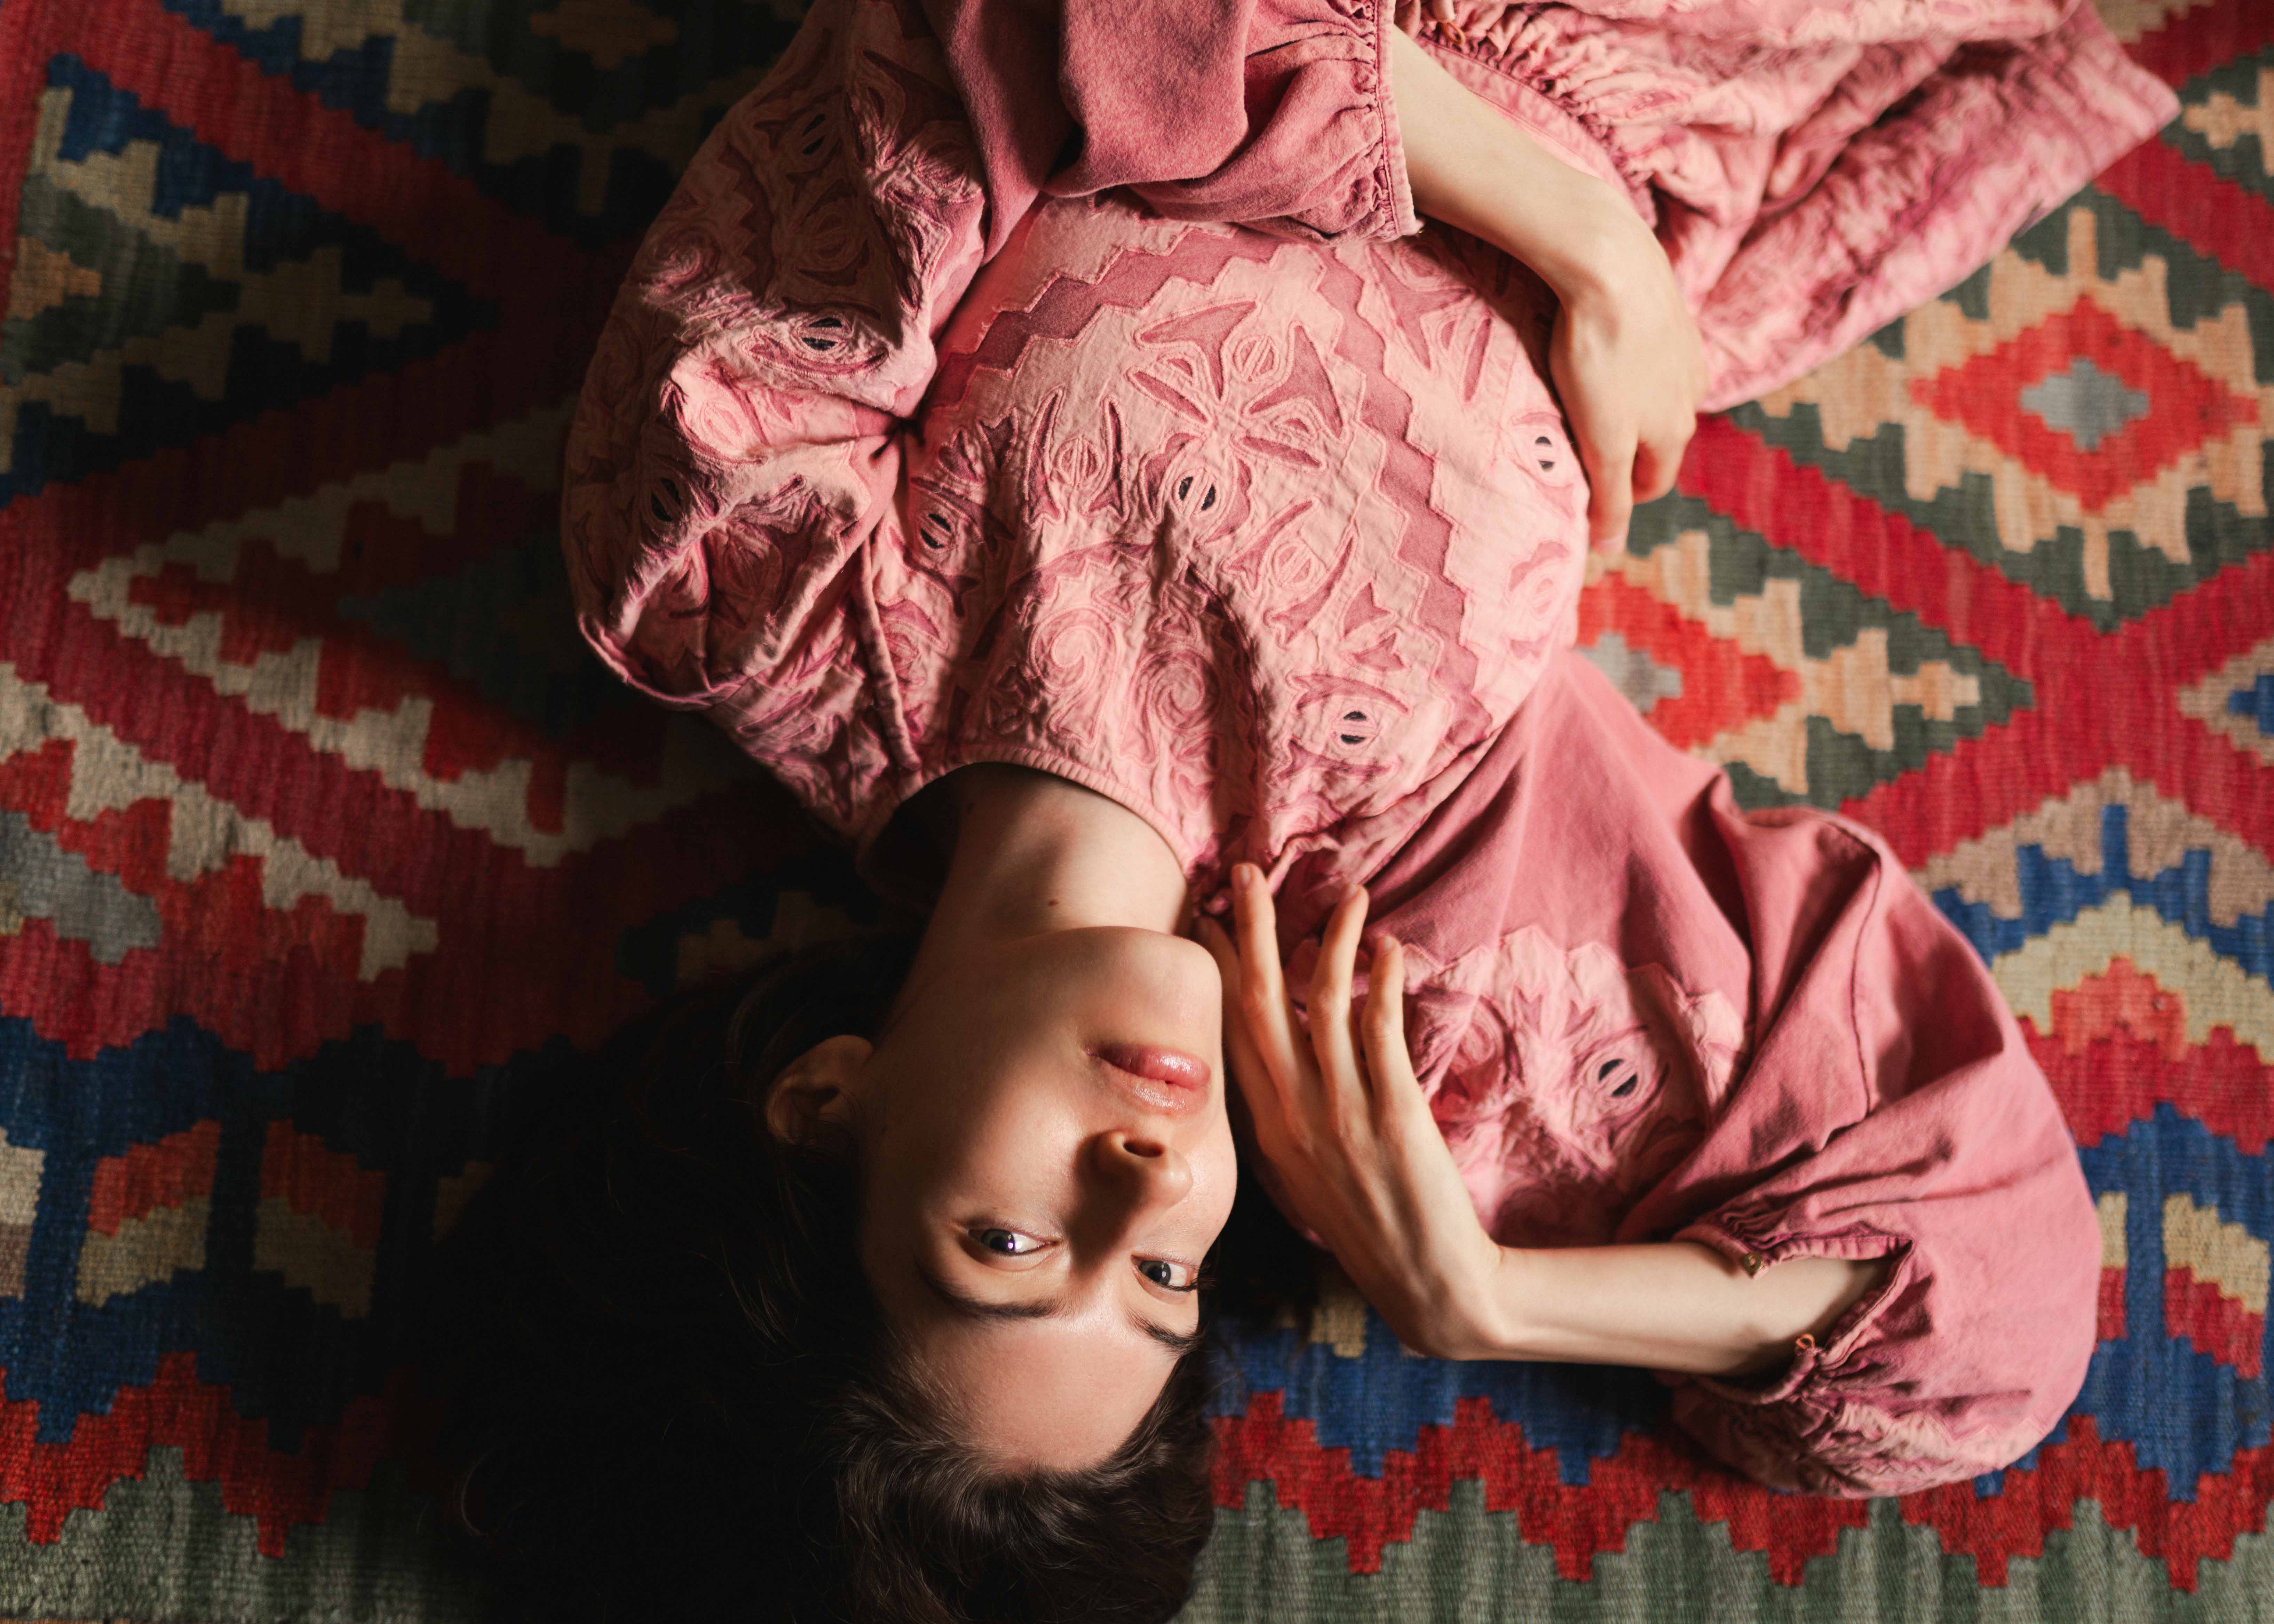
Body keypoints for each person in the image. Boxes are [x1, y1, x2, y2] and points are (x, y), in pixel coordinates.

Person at [469, 0, 2176, 1617]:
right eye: (1160, 1285)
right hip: (1723, 85)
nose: (1148, 1185)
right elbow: (1989, 1346)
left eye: (1007, 1239)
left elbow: (1011, 31)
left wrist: (1565, 234)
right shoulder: (1400, 990)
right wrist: (1480, 1298)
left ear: (825, 1103)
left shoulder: (745, 582)